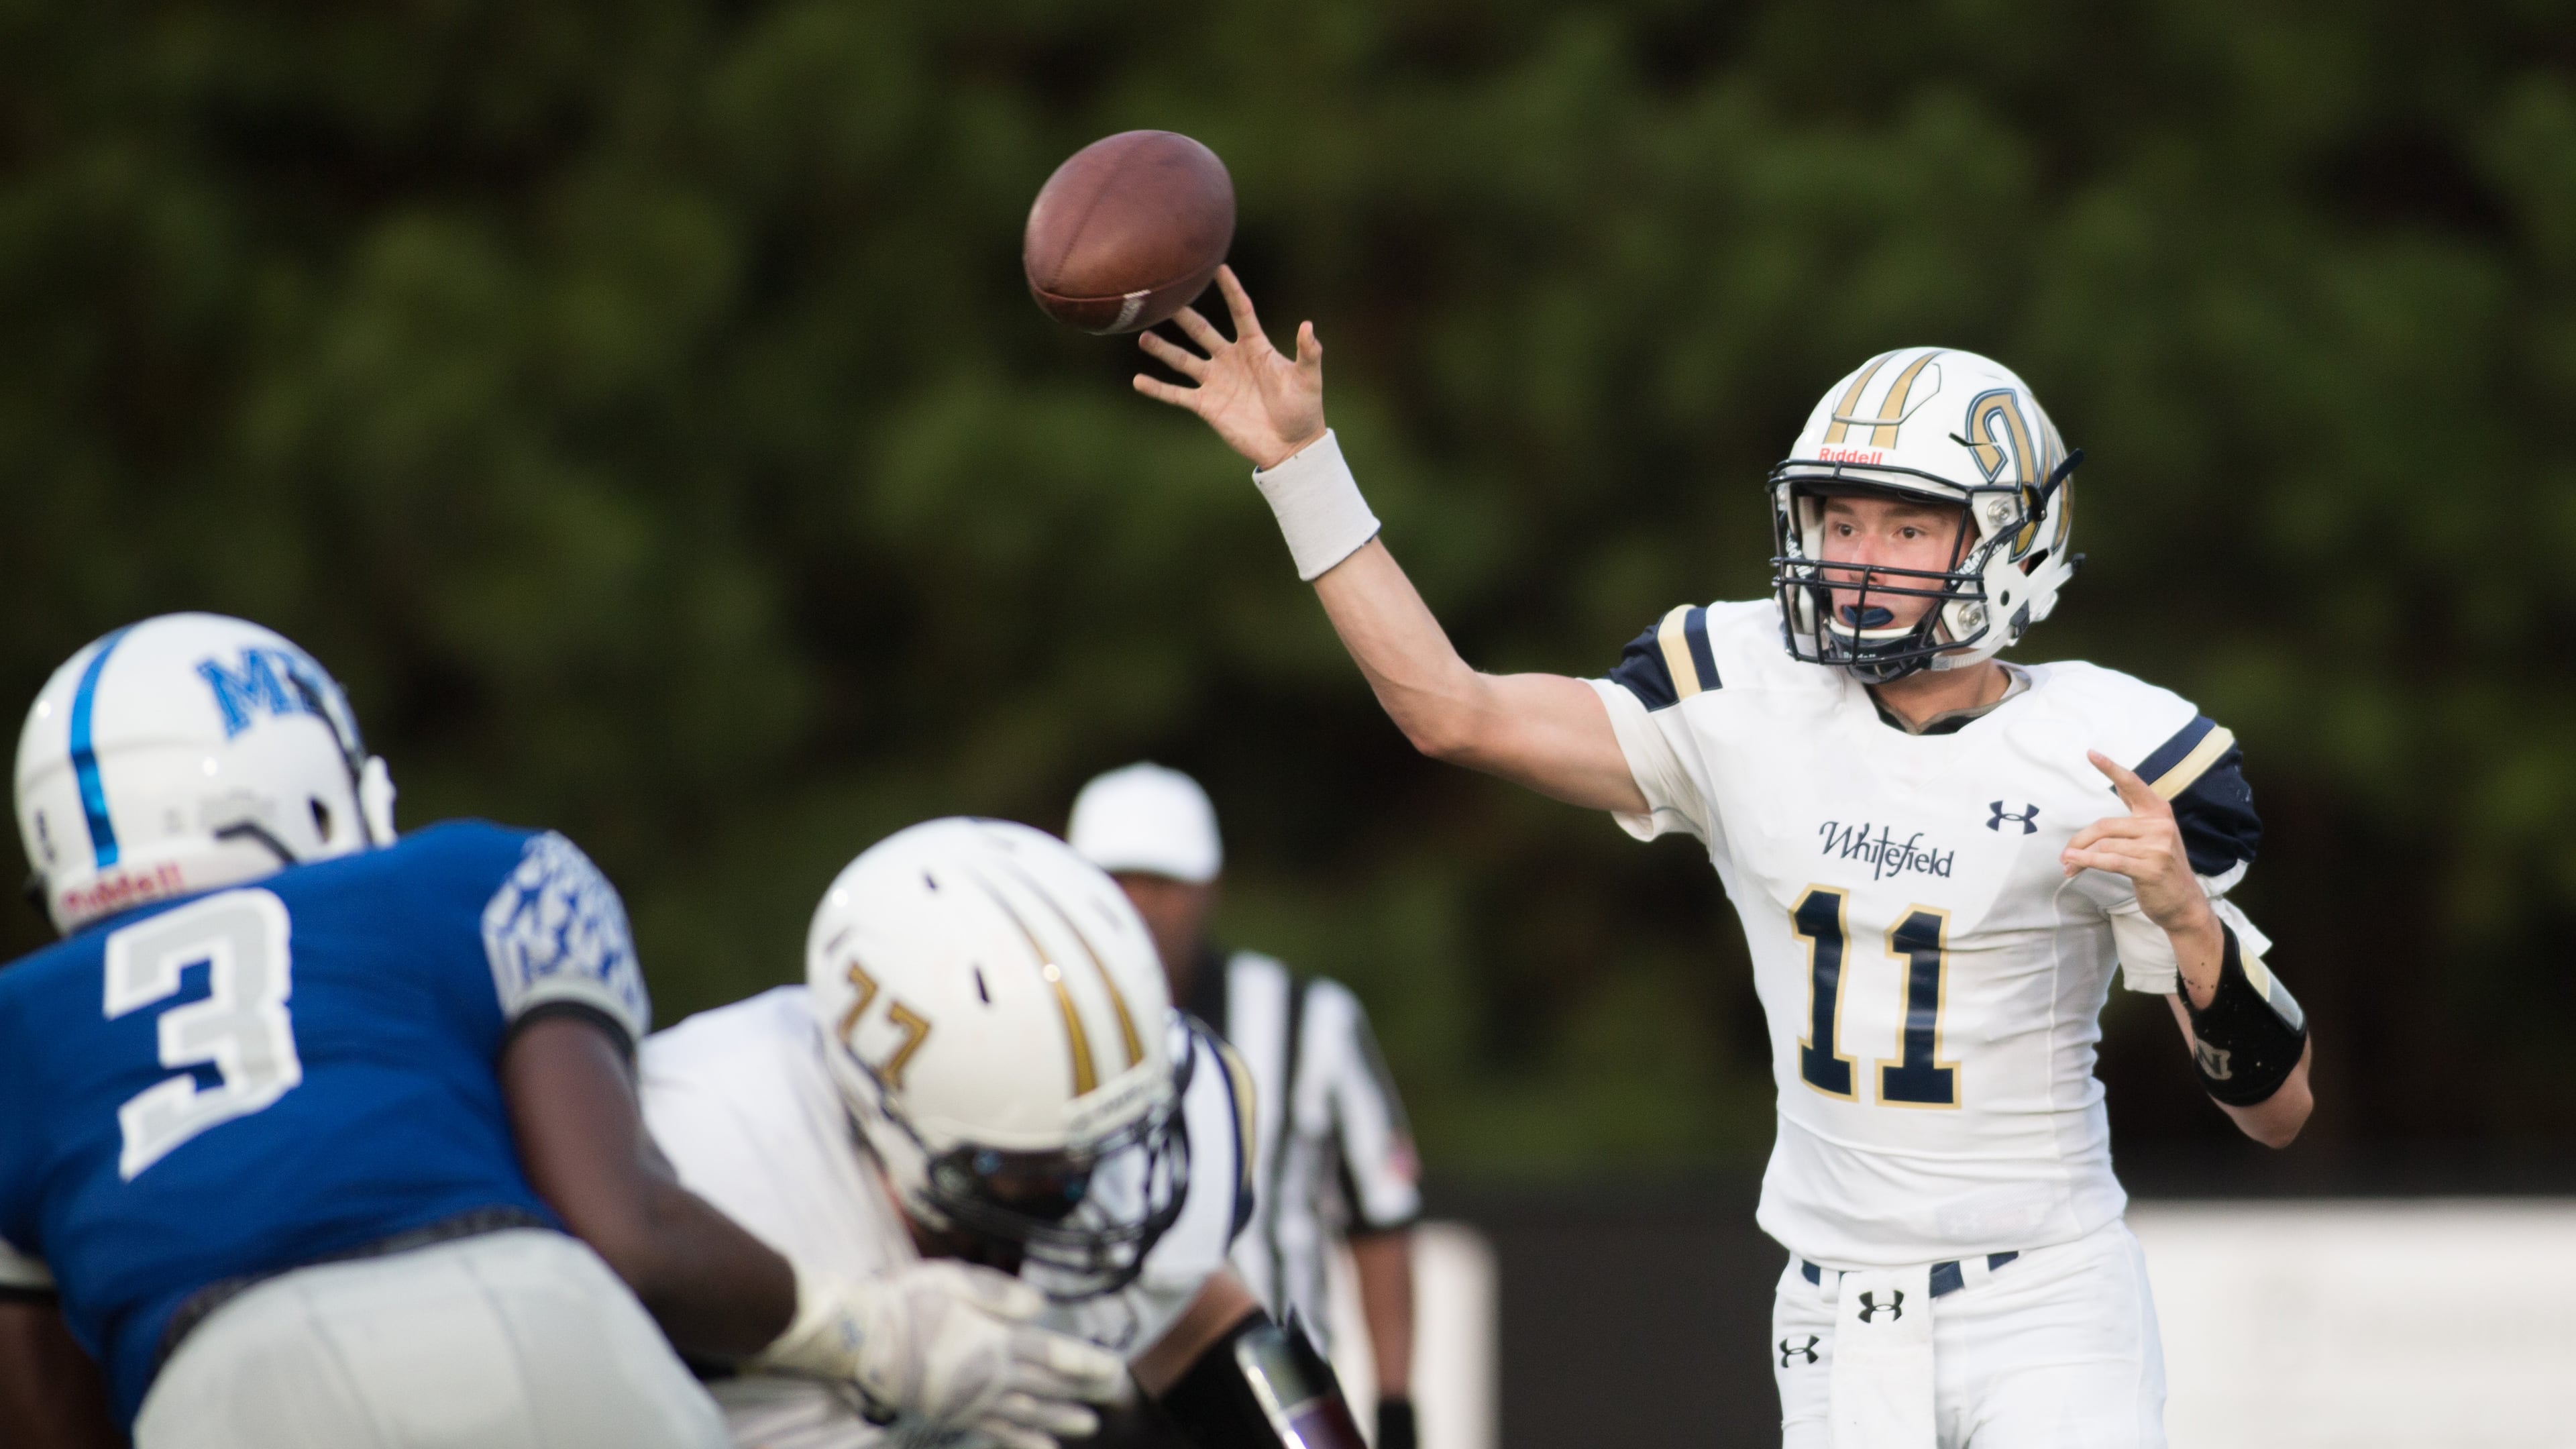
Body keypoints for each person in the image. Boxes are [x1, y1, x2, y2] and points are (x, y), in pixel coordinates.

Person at [1132, 272, 2315, 1446]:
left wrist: (2194, 933)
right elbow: (1455, 711)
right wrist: (1301, 469)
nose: (1860, 558)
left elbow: (2277, 1114)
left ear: (2013, 542)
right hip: (1835, 1314)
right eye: (1840, 521)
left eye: (1909, 525)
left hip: (2048, 1304)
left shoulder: (2107, 751)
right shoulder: (1744, 690)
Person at [0, 614, 1116, 1449]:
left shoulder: (19, 1025)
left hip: (225, 1394)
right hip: (519, 1319)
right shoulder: (471, 873)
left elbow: (49, 1413)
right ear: (306, 776)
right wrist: (866, 1332)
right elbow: (622, 1227)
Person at [637, 816, 1371, 1449]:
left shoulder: (1075, 1127)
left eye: (1100, 1153)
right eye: (1040, 1167)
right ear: (885, 1120)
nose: (1088, 1191)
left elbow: (1199, 1315)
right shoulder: (706, 1147)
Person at [1066, 763, 1424, 1449]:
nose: (1139, 905)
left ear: (1208, 889)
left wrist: (1397, 1409)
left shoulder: (1309, 1020)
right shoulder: (1027, 1023)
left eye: (1162, 883)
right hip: (1084, 1387)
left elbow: (1381, 1219)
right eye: (1118, 880)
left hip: (1267, 1383)